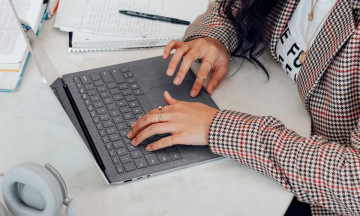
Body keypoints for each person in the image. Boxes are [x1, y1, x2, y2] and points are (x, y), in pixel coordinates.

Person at [127, 0, 360, 215]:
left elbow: (354, 184)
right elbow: (237, 6)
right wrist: (214, 39)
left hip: (320, 195)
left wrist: (217, 127)